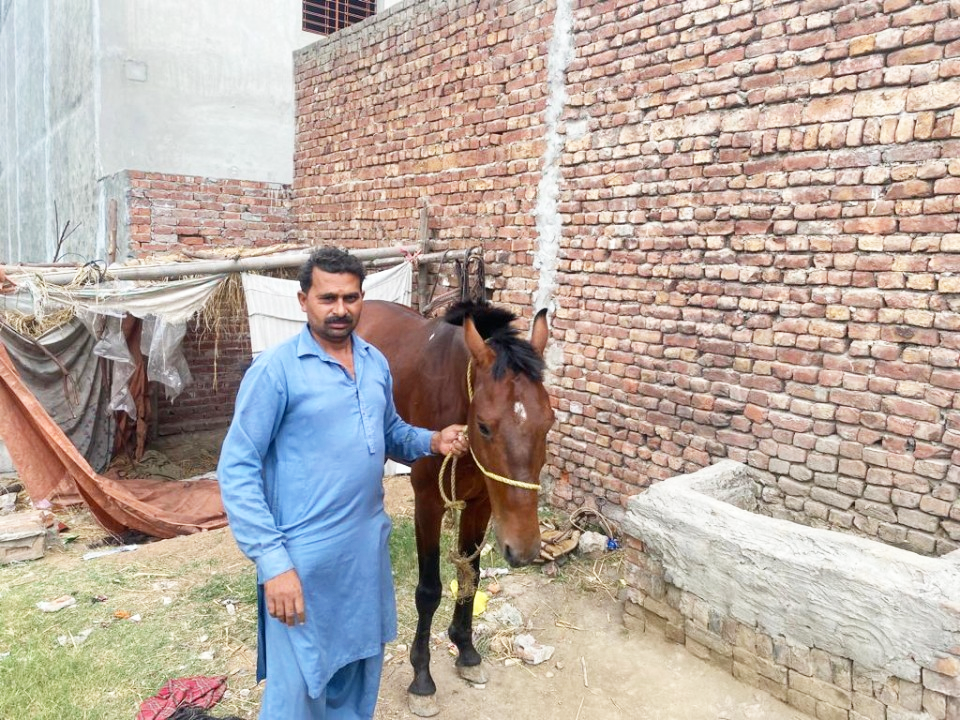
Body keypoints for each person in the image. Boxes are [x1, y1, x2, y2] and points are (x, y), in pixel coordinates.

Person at [217, 247, 469, 719]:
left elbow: (388, 431)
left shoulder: (374, 363)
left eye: (350, 298)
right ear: (302, 300)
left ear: (362, 299)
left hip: (363, 555)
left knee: (358, 677)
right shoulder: (276, 371)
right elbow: (237, 468)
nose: (340, 309)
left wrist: (432, 440)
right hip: (301, 561)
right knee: (298, 694)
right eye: (327, 298)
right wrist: (273, 564)